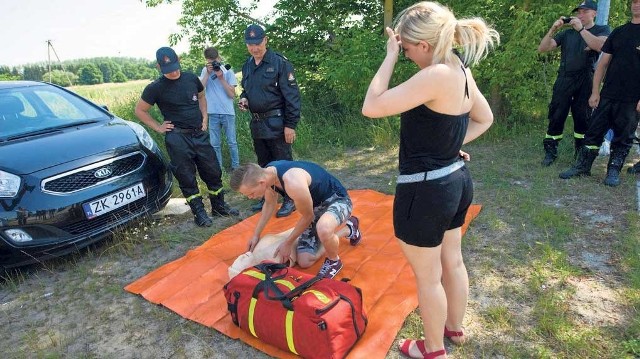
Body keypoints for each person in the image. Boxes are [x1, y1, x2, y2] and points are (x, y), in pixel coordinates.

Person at [361, 2, 499, 358]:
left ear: (423, 45)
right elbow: (484, 119)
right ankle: (454, 328)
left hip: (426, 189)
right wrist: (449, 146)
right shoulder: (459, 68)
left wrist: (388, 57)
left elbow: (371, 106)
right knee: (452, 261)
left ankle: (433, 349)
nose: (405, 55)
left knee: (428, 275)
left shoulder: (435, 74)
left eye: (406, 49)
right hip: (455, 180)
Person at [135, 47, 239, 227]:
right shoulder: (155, 88)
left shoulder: (191, 78)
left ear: (179, 60)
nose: (173, 72)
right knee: (186, 177)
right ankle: (199, 213)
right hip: (177, 138)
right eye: (168, 69)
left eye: (175, 67)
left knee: (213, 171)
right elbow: (140, 110)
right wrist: (159, 127)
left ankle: (219, 207)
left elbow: (201, 97)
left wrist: (204, 117)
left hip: (199, 134)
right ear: (159, 67)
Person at [229, 161, 362, 279]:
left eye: (251, 193)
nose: (251, 197)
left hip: (337, 199)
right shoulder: (267, 175)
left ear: (261, 183)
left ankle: (334, 261)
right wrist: (256, 235)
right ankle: (349, 229)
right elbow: (269, 204)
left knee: (323, 228)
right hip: (315, 207)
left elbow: (308, 217)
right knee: (305, 261)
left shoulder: (292, 182)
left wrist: (288, 243)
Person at [560, 0, 640, 186]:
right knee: (593, 131)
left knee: (623, 136)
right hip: (608, 95)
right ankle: (582, 166)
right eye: (634, 2)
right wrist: (595, 92)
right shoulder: (619, 32)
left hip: (631, 99)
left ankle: (613, 172)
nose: (636, 5)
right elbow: (602, 64)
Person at [239, 24, 301, 218]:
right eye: (250, 44)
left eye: (257, 43)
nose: (254, 48)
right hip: (257, 124)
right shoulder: (247, 65)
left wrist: (290, 125)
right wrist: (244, 98)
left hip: (277, 122)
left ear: (265, 40)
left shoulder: (279, 63)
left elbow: (292, 96)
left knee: (283, 164)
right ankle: (269, 197)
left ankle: (291, 199)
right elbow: (247, 89)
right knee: (264, 164)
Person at [538, 0, 610, 166]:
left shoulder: (602, 29)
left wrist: (581, 29)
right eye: (579, 12)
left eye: (585, 12)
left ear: (594, 13)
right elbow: (543, 48)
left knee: (582, 118)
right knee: (556, 115)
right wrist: (553, 29)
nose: (580, 15)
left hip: (586, 79)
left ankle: (580, 153)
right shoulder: (567, 34)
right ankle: (550, 151)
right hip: (564, 78)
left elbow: (601, 46)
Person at [200, 47, 240, 171]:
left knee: (232, 142)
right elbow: (200, 89)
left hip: (227, 112)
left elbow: (232, 94)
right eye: (210, 62)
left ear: (218, 58)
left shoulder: (227, 70)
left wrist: (221, 78)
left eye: (214, 61)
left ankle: (236, 167)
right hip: (212, 112)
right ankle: (219, 168)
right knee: (214, 144)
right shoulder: (205, 71)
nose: (213, 64)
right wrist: (207, 72)